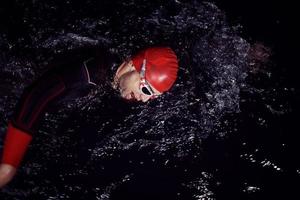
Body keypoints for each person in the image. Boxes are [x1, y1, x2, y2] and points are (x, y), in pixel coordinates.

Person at [0, 46, 179, 188]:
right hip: (14, 84)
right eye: (146, 89)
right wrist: (9, 166)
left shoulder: (116, 75)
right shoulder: (86, 75)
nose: (145, 99)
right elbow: (38, 92)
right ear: (133, 65)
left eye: (153, 96)